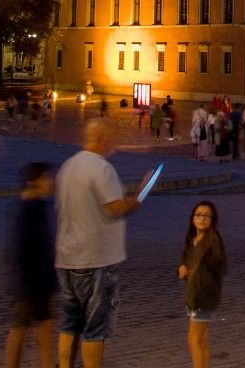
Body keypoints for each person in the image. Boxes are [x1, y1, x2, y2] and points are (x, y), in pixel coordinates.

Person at [56, 118, 150, 367]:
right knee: (95, 328)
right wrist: (139, 196)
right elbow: (114, 208)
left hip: (66, 258)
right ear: (101, 138)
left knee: (69, 324)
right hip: (96, 259)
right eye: (112, 137)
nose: (114, 143)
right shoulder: (101, 168)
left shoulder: (68, 166)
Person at [5, 162, 56, 368]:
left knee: (44, 328)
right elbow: (19, 249)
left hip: (39, 279)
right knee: (20, 329)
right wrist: (25, 281)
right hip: (28, 281)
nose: (51, 181)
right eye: (47, 177)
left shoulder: (38, 207)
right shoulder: (26, 211)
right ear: (33, 181)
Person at [177, 201, 226, 368]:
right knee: (202, 339)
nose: (202, 218)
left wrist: (196, 276)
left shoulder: (213, 241)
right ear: (192, 218)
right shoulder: (193, 239)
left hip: (202, 296)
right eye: (198, 214)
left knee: (193, 340)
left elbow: (218, 268)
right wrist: (183, 269)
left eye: (206, 215)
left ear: (212, 220)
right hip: (193, 295)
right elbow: (186, 262)